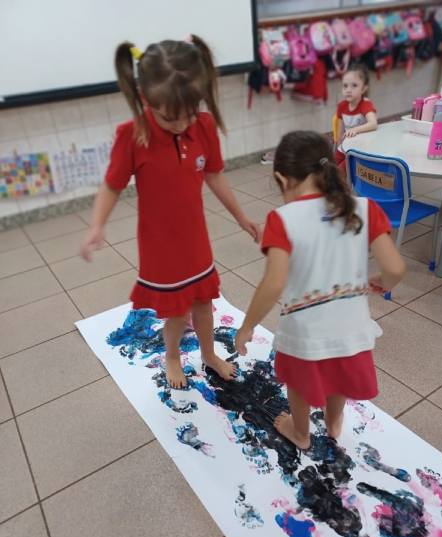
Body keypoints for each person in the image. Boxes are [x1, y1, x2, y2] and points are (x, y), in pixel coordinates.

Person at [80, 36, 262, 389]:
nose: (181, 125)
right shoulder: (133, 134)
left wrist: (241, 217)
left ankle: (209, 354)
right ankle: (173, 357)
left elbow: (214, 175)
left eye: (188, 114)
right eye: (169, 118)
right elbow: (112, 185)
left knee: (204, 302)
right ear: (146, 98)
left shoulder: (203, 125)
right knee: (178, 312)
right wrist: (96, 225)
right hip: (160, 245)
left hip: (195, 238)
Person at [234, 131, 405, 450]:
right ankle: (334, 422)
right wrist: (384, 281)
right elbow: (395, 269)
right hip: (352, 330)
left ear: (282, 178)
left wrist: (247, 326)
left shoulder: (282, 219)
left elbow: (273, 283)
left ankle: (301, 433)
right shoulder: (363, 207)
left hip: (305, 333)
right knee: (339, 379)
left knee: (298, 385)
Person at [334, 63, 378, 170]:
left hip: (362, 148)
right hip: (347, 145)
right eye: (345, 86)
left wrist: (356, 130)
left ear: (363, 89)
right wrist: (340, 149)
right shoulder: (342, 105)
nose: (348, 90)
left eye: (354, 85)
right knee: (331, 164)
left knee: (341, 170)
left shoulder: (365, 104)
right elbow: (340, 132)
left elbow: (373, 123)